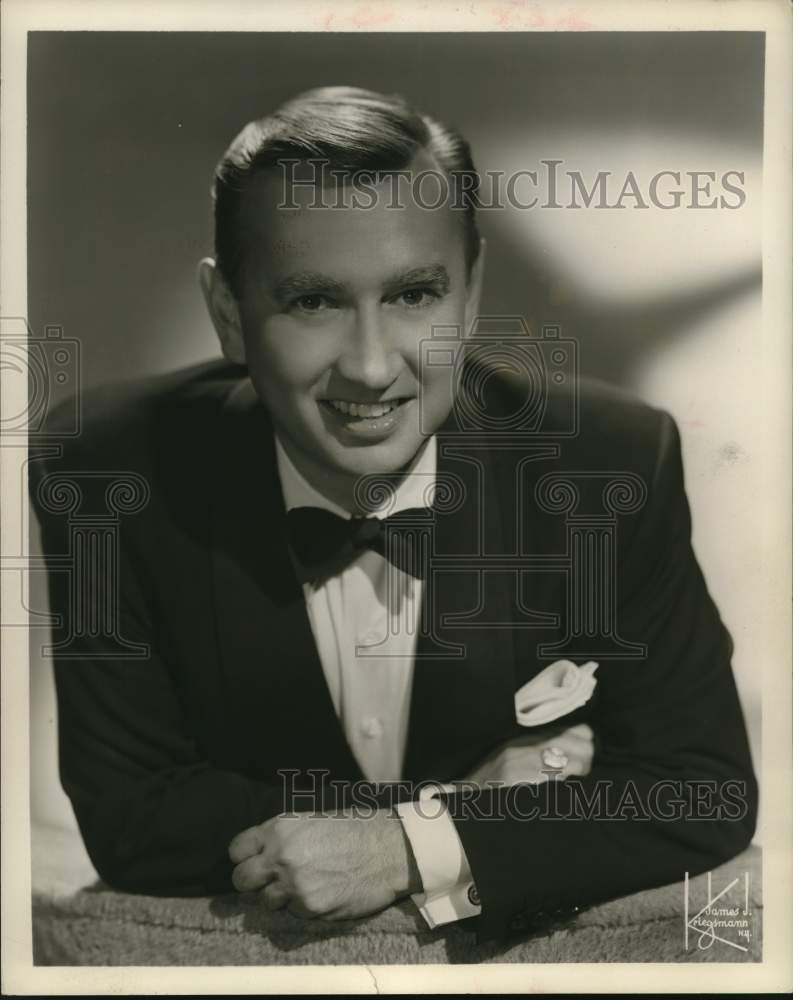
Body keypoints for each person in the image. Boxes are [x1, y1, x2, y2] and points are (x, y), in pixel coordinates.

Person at [32, 86, 757, 941]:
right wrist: (456, 811)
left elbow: (700, 790)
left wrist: (405, 843)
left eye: (414, 295)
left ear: (471, 292)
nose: (372, 368)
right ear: (227, 312)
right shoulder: (109, 467)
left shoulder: (609, 461)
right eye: (313, 302)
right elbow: (136, 820)